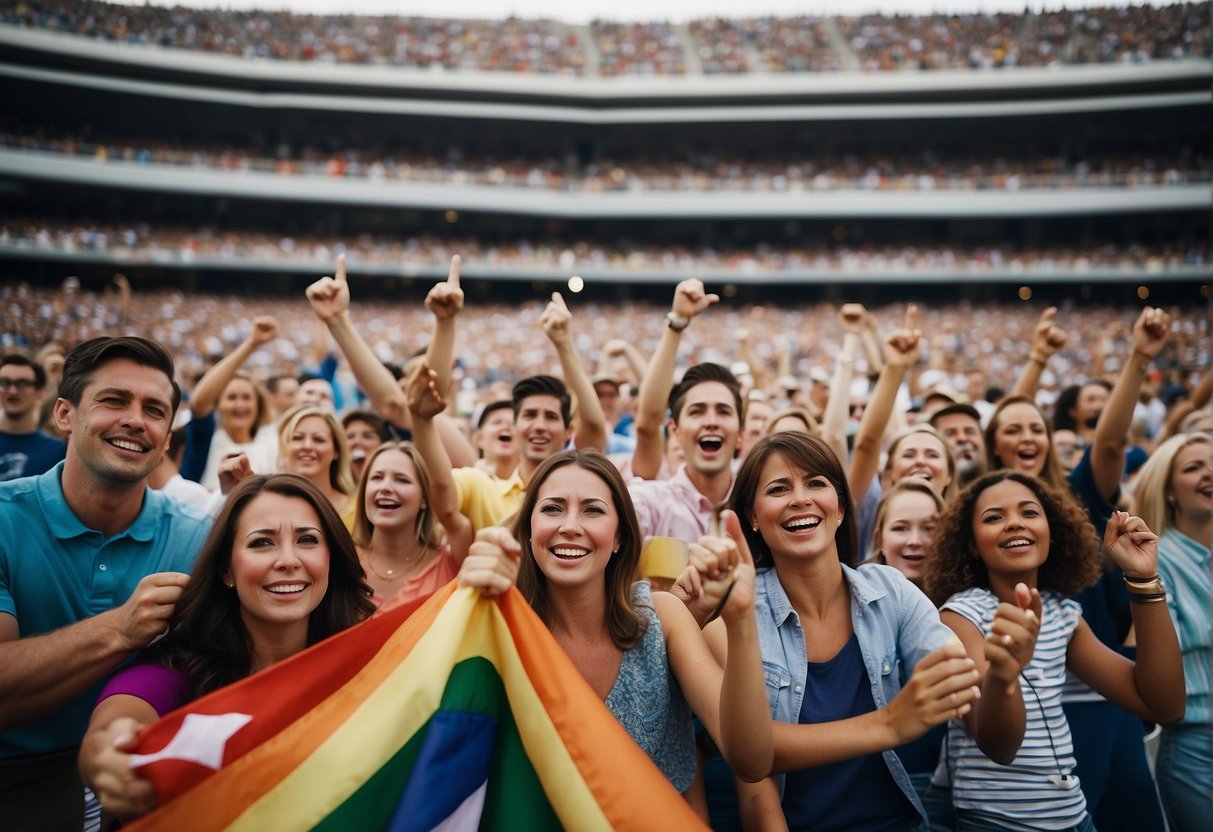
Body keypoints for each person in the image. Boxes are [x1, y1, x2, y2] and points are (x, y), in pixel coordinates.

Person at [457, 449, 773, 813]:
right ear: (528, 531)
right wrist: (470, 603)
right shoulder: (500, 629)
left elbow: (752, 761)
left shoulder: (663, 616)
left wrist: (741, 620)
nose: (570, 525)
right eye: (552, 508)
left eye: (592, 510)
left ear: (620, 536)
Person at [708, 432, 985, 832]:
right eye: (778, 488)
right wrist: (890, 721)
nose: (800, 498)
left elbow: (959, 684)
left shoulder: (891, 591)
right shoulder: (733, 615)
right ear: (752, 516)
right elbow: (752, 763)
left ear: (839, 509)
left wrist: (998, 673)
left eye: (816, 483)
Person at [0, 336, 211, 828]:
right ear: (64, 415)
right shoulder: (5, 519)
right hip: (17, 777)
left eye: (154, 410)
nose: (135, 420)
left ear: (164, 439)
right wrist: (120, 629)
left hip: (145, 768)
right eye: (114, 400)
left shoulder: (197, 537)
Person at [78, 474, 375, 821]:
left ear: (331, 560)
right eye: (262, 543)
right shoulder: (175, 669)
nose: (288, 560)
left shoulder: (365, 663)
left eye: (307, 540)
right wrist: (109, 757)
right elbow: (113, 728)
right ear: (226, 570)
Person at [926, 472, 1184, 832]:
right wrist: (1006, 673)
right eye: (994, 517)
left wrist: (1142, 580)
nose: (1014, 522)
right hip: (995, 823)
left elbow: (1163, 706)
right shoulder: (960, 615)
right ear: (971, 544)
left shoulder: (1064, 615)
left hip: (1076, 819)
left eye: (1029, 513)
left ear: (1053, 530)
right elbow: (1000, 746)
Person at [1132, 432, 1212, 832]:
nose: (1209, 474)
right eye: (1194, 468)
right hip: (1196, 748)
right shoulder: (1154, 560)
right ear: (1168, 490)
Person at [350, 362, 473, 609]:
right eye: (376, 478)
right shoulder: (342, 564)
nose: (385, 487)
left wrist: (422, 420)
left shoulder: (451, 562)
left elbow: (444, 491)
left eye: (402, 479)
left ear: (426, 498)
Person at [180, 316, 280, 491]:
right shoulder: (207, 438)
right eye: (231, 397)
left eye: (247, 398)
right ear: (218, 405)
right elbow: (198, 402)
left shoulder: (272, 442)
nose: (239, 405)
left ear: (258, 405)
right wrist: (251, 344)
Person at [275, 403, 354, 517]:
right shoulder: (267, 508)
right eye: (297, 438)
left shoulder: (357, 512)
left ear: (336, 451)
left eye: (318, 439)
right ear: (284, 447)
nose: (307, 446)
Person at [0, 353, 65, 481]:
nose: (12, 391)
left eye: (22, 384)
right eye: (5, 383)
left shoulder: (58, 452)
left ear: (40, 392)